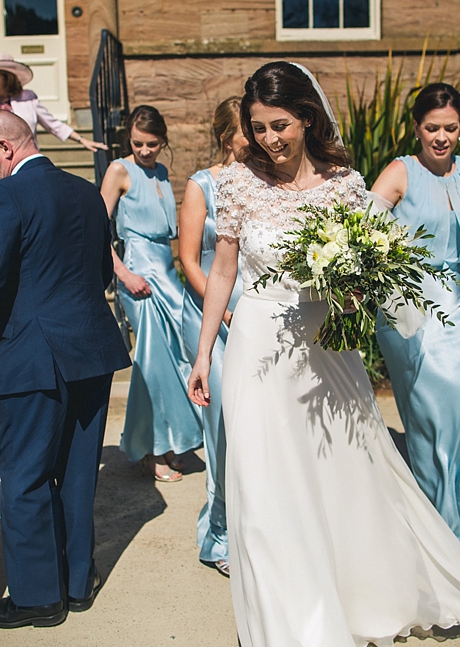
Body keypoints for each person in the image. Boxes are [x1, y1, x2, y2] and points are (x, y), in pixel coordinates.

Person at [187, 62, 460, 646]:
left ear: (307, 117)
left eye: (280, 125)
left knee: (340, 477)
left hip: (323, 350)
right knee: (262, 488)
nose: (269, 140)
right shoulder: (235, 183)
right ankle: (284, 621)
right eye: (258, 128)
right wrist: (205, 353)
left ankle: (353, 596)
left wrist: (356, 287)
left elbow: (365, 267)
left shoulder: (343, 183)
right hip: (255, 348)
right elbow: (223, 268)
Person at [0, 112, 130, 629]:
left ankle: (36, 598)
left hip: (31, 356)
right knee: (74, 474)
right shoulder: (84, 191)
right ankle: (75, 583)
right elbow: (97, 273)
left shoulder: (5, 196)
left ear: (5, 146)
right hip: (90, 350)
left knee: (24, 477)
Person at [369, 82, 460, 550]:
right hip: (410, 303)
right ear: (416, 129)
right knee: (430, 418)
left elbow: (459, 234)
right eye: (432, 128)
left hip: (457, 299)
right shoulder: (399, 173)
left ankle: (458, 502)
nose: (442, 137)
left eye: (450, 128)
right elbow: (360, 230)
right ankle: (442, 518)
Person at [100, 105, 201, 483]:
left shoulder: (160, 171)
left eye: (153, 144)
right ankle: (153, 450)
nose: (144, 150)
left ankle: (176, 440)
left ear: (163, 142)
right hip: (138, 278)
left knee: (179, 358)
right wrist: (123, 274)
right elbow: (95, 229)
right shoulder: (118, 170)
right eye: (138, 143)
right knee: (152, 363)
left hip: (167, 273)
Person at [178, 96, 249, 576]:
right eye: (252, 130)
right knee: (223, 427)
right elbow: (187, 259)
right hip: (211, 317)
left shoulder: (266, 183)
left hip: (255, 317)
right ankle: (218, 537)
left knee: (255, 429)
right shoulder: (200, 186)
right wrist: (222, 313)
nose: (263, 138)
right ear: (229, 138)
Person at [0, 53, 105, 175]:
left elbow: (53, 124)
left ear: (8, 78)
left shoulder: (27, 99)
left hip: (24, 167)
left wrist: (82, 140)